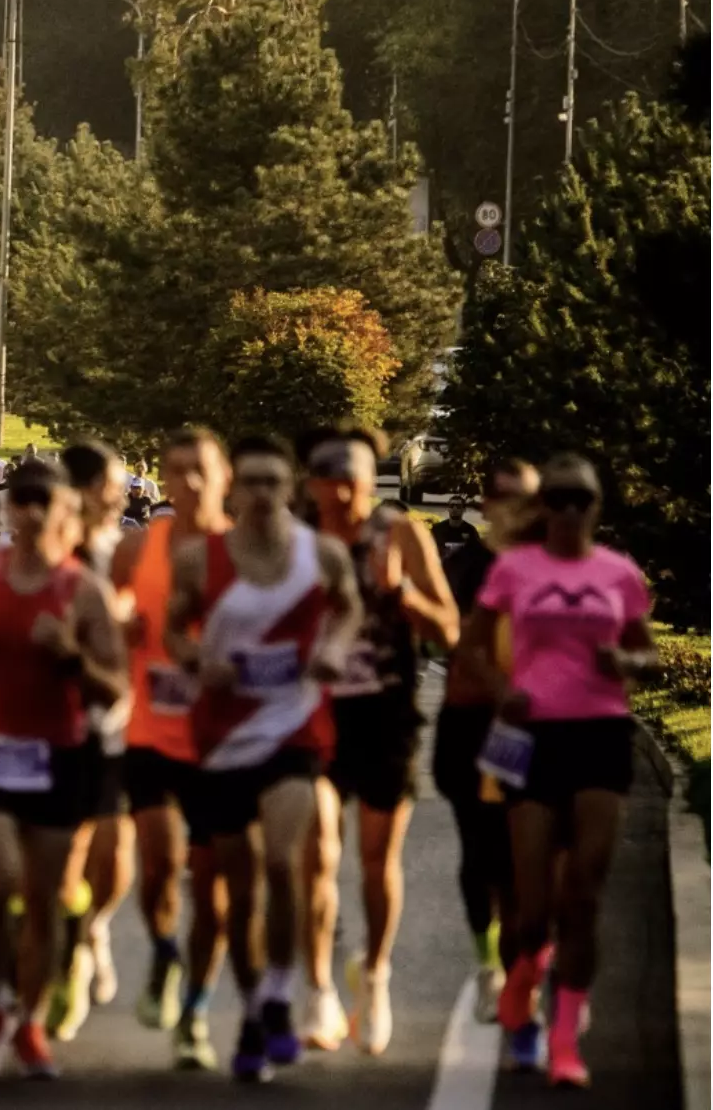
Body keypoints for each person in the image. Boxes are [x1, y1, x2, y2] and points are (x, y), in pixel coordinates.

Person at [165, 435, 360, 1084]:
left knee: (284, 863)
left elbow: (350, 606)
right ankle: (252, 1009)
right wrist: (196, 660)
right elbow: (171, 627)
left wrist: (334, 646)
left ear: (292, 488)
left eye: (273, 482)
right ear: (233, 490)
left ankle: (280, 989)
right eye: (249, 482)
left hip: (295, 732)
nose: (260, 494)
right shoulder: (200, 561)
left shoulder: (322, 554)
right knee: (237, 892)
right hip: (222, 739)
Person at [464, 455, 654, 1088]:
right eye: (560, 498)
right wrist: (500, 689)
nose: (570, 510)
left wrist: (624, 660)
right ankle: (522, 987)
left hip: (600, 736)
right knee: (532, 906)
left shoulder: (619, 573)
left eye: (582, 499)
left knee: (584, 897)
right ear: (545, 506)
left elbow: (646, 650)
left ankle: (564, 1041)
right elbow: (472, 645)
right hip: (533, 737)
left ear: (597, 506)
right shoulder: (516, 570)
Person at [0, 459, 123, 1080]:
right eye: (22, 499)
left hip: (57, 754)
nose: (33, 510)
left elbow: (116, 690)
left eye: (45, 500)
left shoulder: (83, 590)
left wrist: (71, 658)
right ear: (9, 508)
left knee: (42, 899)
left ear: (64, 510)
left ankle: (31, 1019)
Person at [298, 425, 457, 1056]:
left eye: (352, 483)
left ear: (371, 482)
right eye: (330, 482)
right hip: (315, 717)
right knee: (319, 854)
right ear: (313, 485)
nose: (341, 495)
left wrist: (403, 593)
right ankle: (317, 990)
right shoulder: (301, 544)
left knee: (375, 859)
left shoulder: (403, 534)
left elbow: (450, 629)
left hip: (387, 716)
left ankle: (376, 975)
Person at [111, 428, 232, 1068]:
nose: (187, 483)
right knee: (158, 864)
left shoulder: (242, 552)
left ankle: (197, 1010)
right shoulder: (139, 547)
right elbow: (110, 617)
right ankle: (164, 953)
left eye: (200, 471)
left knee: (212, 891)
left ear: (224, 476)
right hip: (152, 728)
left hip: (222, 740)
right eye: (175, 470)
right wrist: (121, 627)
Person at [434, 458, 540, 1023]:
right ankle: (488, 966)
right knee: (481, 851)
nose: (511, 506)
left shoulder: (551, 567)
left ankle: (523, 972)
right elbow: (450, 639)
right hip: (473, 723)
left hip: (538, 726)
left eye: (523, 496)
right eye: (500, 495)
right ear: (484, 502)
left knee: (527, 857)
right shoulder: (467, 565)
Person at [47, 440, 136, 1044]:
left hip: (122, 716)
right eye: (115, 483)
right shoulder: (46, 550)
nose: (123, 493)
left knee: (114, 853)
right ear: (84, 489)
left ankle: (96, 922)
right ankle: (67, 950)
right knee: (62, 852)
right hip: (50, 718)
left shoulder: (128, 550)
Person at [431, 496, 478, 561]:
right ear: (448, 508)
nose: (454, 508)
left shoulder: (470, 530)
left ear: (464, 509)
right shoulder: (437, 529)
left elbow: (476, 554)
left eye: (458, 506)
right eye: (452, 506)